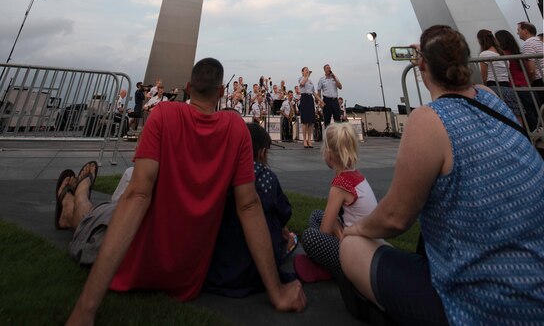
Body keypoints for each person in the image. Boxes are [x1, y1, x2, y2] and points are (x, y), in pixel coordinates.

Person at [59, 58, 306, 323]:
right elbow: (249, 206)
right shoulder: (236, 130)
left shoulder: (163, 115)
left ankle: (73, 202)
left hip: (131, 258)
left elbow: (138, 195)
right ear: (222, 92)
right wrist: (277, 292)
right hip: (186, 276)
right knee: (103, 212)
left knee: (92, 215)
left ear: (188, 87)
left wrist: (85, 310)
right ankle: (75, 198)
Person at [339, 25, 544, 325]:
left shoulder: (428, 120)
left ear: (421, 65)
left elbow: (395, 218)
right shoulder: (491, 98)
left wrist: (356, 230)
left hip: (488, 307)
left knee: (351, 248)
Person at [204, 122, 297, 297]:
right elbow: (284, 211)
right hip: (258, 266)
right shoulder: (267, 177)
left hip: (223, 262)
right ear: (262, 153)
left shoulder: (224, 174)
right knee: (291, 238)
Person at [300, 123, 377, 279]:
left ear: (328, 154)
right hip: (366, 243)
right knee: (316, 215)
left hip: (357, 254)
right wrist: (335, 224)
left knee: (310, 237)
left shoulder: (340, 185)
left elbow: (324, 232)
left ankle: (333, 270)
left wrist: (334, 225)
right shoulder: (356, 176)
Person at [495, 29, 538, 130]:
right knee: (535, 116)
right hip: (526, 86)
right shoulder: (517, 53)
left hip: (516, 88)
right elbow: (529, 71)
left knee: (528, 120)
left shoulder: (503, 56)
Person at [477, 28, 520, 117]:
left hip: (493, 86)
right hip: (507, 87)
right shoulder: (501, 54)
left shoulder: (484, 55)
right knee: (516, 114)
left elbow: (484, 76)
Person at [298, 67, 323, 148]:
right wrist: (306, 76)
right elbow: (302, 84)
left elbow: (314, 93)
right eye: (306, 70)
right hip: (304, 98)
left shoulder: (311, 81)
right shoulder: (301, 78)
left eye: (308, 70)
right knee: (305, 121)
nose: (307, 71)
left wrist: (320, 100)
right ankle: (304, 140)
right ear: (302, 72)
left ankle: (309, 139)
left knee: (311, 121)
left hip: (310, 99)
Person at [517, 21, 544, 94]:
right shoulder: (540, 41)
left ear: (525, 31)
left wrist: (530, 83)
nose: (517, 33)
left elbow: (531, 69)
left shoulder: (527, 44)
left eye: (518, 30)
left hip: (539, 80)